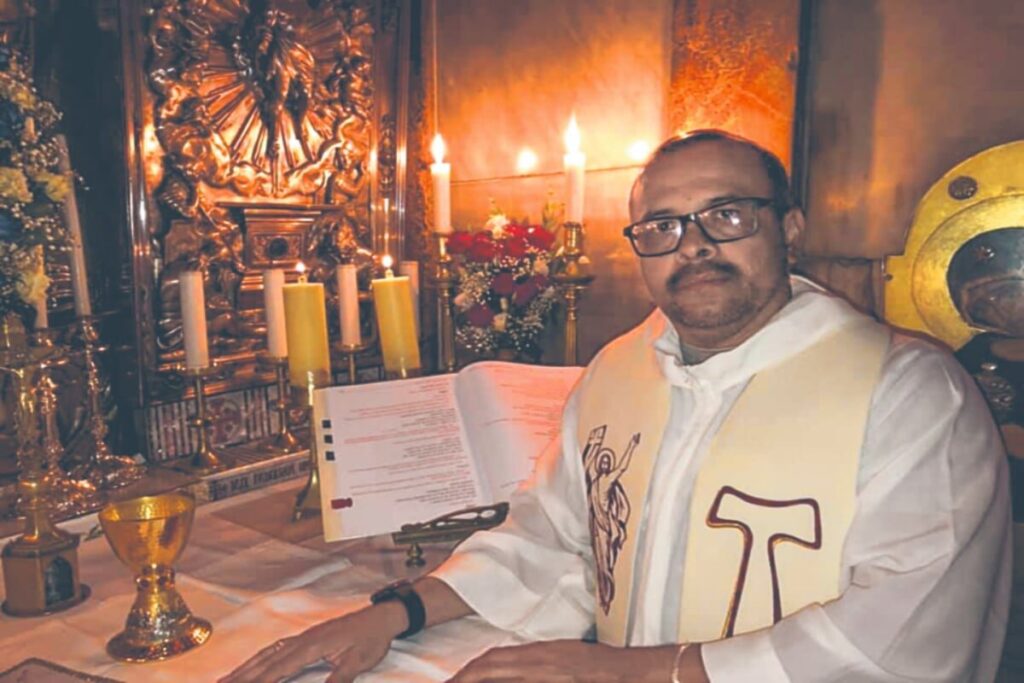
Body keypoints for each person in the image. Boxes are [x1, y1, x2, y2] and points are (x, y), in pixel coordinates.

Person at [223, 131, 1011, 683]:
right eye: (662, 226)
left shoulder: (908, 392)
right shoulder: (618, 373)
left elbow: (909, 633)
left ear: (790, 228)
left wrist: (638, 671)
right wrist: (394, 613)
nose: (693, 245)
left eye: (727, 214)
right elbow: (557, 541)